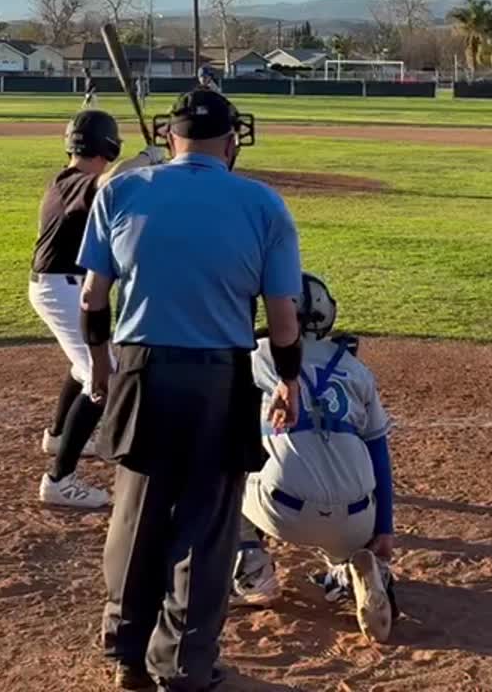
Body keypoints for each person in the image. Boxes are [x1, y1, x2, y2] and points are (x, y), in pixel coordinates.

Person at [79, 88, 304, 692]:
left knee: (137, 513)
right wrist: (288, 380)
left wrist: (99, 366)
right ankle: (182, 665)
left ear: (168, 135)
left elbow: (92, 298)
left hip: (141, 368)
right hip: (217, 376)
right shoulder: (262, 204)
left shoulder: (121, 190)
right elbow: (283, 319)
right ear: (231, 141)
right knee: (205, 526)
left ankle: (126, 653)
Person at [230, 272, 398, 642]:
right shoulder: (356, 369)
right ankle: (352, 569)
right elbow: (379, 453)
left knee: (221, 468)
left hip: (281, 509)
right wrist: (384, 528)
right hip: (357, 518)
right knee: (351, 491)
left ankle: (253, 569)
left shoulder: (255, 356)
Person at [28, 109, 124, 510]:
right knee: (103, 376)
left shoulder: (63, 180)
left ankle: (56, 436)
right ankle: (59, 480)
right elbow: (110, 181)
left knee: (82, 364)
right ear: (108, 146)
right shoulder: (77, 183)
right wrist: (147, 160)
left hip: (58, 286)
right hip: (61, 289)